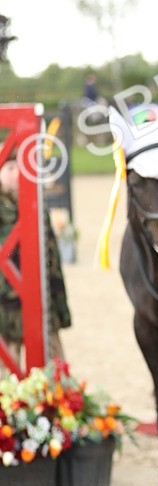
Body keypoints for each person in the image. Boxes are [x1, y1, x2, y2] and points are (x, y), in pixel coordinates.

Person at [0, 148, 72, 369]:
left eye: (19, 167)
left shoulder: (37, 206)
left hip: (41, 307)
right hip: (4, 312)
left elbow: (53, 262)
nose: (16, 174)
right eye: (9, 168)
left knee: (56, 376)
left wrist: (60, 308)